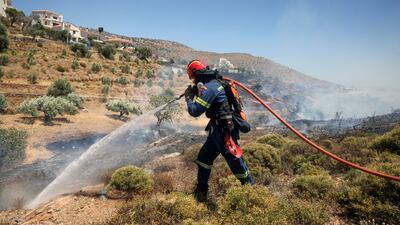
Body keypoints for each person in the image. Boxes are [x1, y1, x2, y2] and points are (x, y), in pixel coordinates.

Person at [184, 59, 254, 202]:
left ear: (198, 74)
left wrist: (189, 98)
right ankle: (201, 191)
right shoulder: (213, 85)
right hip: (217, 129)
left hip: (224, 131)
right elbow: (209, 100)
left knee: (236, 163)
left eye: (194, 77)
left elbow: (195, 111)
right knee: (204, 158)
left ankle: (252, 192)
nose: (194, 80)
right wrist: (196, 93)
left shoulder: (211, 87)